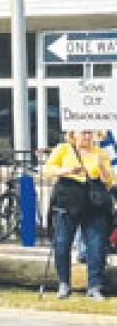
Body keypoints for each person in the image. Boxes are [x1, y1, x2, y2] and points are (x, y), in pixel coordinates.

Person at [45, 129, 114, 301]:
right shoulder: (63, 148)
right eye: (83, 133)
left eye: (90, 133)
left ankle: (94, 286)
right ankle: (64, 283)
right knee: (62, 243)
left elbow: (109, 180)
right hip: (68, 199)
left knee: (96, 245)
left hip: (93, 202)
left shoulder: (100, 152)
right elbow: (48, 169)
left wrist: (101, 168)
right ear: (73, 134)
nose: (87, 136)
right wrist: (67, 170)